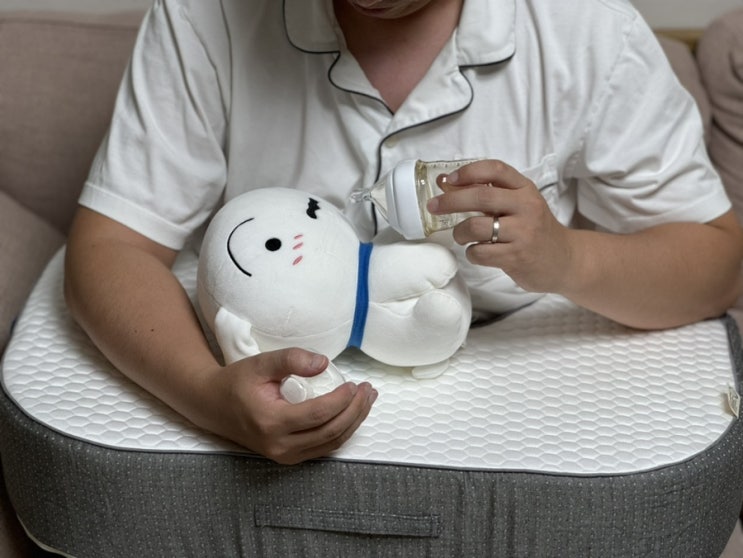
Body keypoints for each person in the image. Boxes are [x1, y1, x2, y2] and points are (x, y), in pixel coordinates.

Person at [64, 0, 743, 465]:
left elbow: (717, 264)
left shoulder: (588, 31)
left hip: (510, 398)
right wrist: (206, 395)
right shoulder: (205, 17)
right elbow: (111, 245)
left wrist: (565, 259)